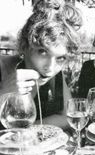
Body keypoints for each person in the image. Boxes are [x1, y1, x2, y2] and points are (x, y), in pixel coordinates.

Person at [0, 0, 83, 130]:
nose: (50, 68)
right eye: (42, 52)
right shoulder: (2, 67)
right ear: (24, 46)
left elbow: (68, 116)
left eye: (60, 58)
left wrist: (26, 131)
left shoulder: (55, 73)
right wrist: (4, 93)